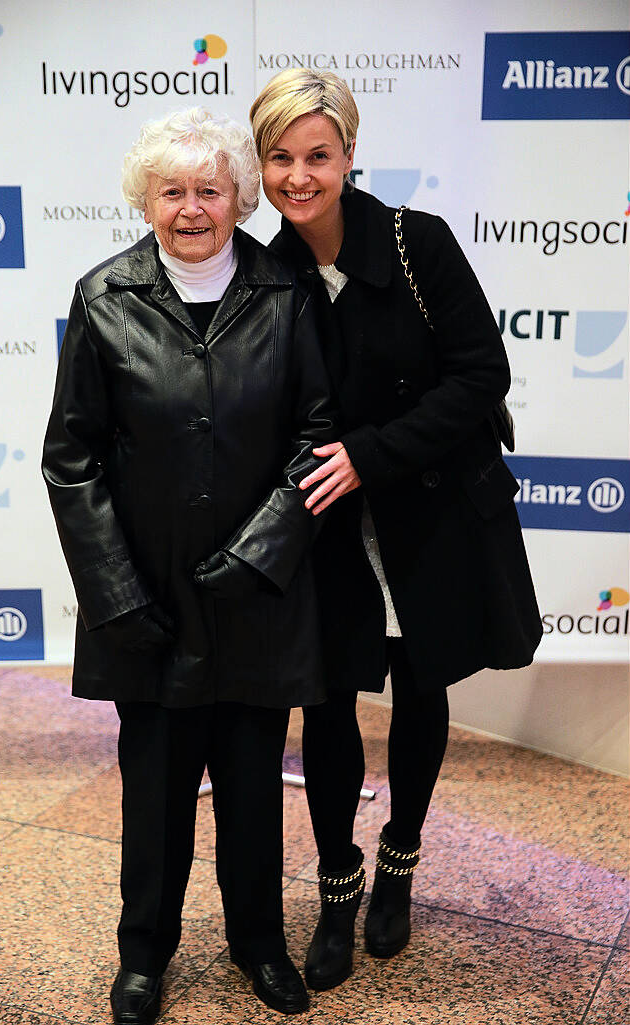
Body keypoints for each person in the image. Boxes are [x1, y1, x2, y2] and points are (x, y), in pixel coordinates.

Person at [42, 107, 336, 1024]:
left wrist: (259, 556)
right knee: (157, 793)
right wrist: (116, 596)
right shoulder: (103, 296)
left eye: (210, 189)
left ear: (239, 197)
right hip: (151, 600)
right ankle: (144, 956)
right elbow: (72, 456)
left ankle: (258, 943)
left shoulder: (286, 293)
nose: (193, 208)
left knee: (253, 785)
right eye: (172, 191)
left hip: (259, 595)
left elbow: (318, 437)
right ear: (147, 200)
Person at [250, 69, 543, 992]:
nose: (299, 177)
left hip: (426, 515)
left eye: (317, 157)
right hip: (330, 530)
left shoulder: (417, 243)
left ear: (347, 156)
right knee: (327, 700)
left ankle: (399, 868)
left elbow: (477, 378)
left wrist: (371, 455)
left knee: (420, 688)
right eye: (279, 158)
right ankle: (338, 885)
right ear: (260, 164)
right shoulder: (266, 270)